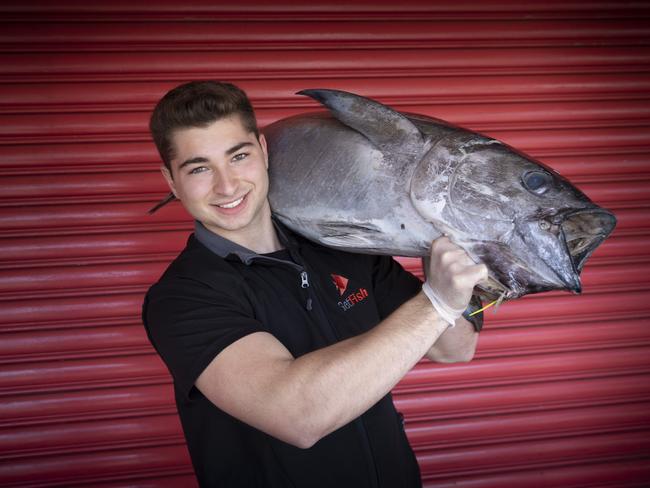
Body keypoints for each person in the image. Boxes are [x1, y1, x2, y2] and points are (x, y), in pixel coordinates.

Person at [142, 81, 488, 488]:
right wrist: (436, 304)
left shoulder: (341, 246)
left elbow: (454, 348)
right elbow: (298, 416)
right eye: (199, 168)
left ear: (263, 151)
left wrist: (447, 263)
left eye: (239, 156)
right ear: (171, 181)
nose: (227, 185)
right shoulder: (182, 297)